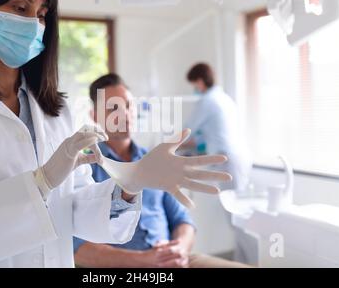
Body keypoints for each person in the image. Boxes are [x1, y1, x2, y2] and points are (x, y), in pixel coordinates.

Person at [0, 0, 229, 268]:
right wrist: (39, 183)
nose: (34, 24)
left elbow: (74, 212)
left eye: (42, 15)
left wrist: (129, 186)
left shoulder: (55, 108)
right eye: (20, 8)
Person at [73, 74, 249, 268]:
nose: (124, 114)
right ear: (94, 116)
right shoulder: (85, 167)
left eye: (129, 105)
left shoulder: (154, 161)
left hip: (176, 260)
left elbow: (183, 221)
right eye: (113, 108)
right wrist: (144, 261)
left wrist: (179, 249)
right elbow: (77, 248)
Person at [184, 63, 251, 193]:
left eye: (194, 84)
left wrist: (167, 145)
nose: (195, 88)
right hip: (239, 156)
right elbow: (208, 134)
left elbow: (186, 131)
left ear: (200, 81)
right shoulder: (224, 98)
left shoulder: (208, 101)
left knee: (233, 207)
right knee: (236, 205)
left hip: (228, 160)